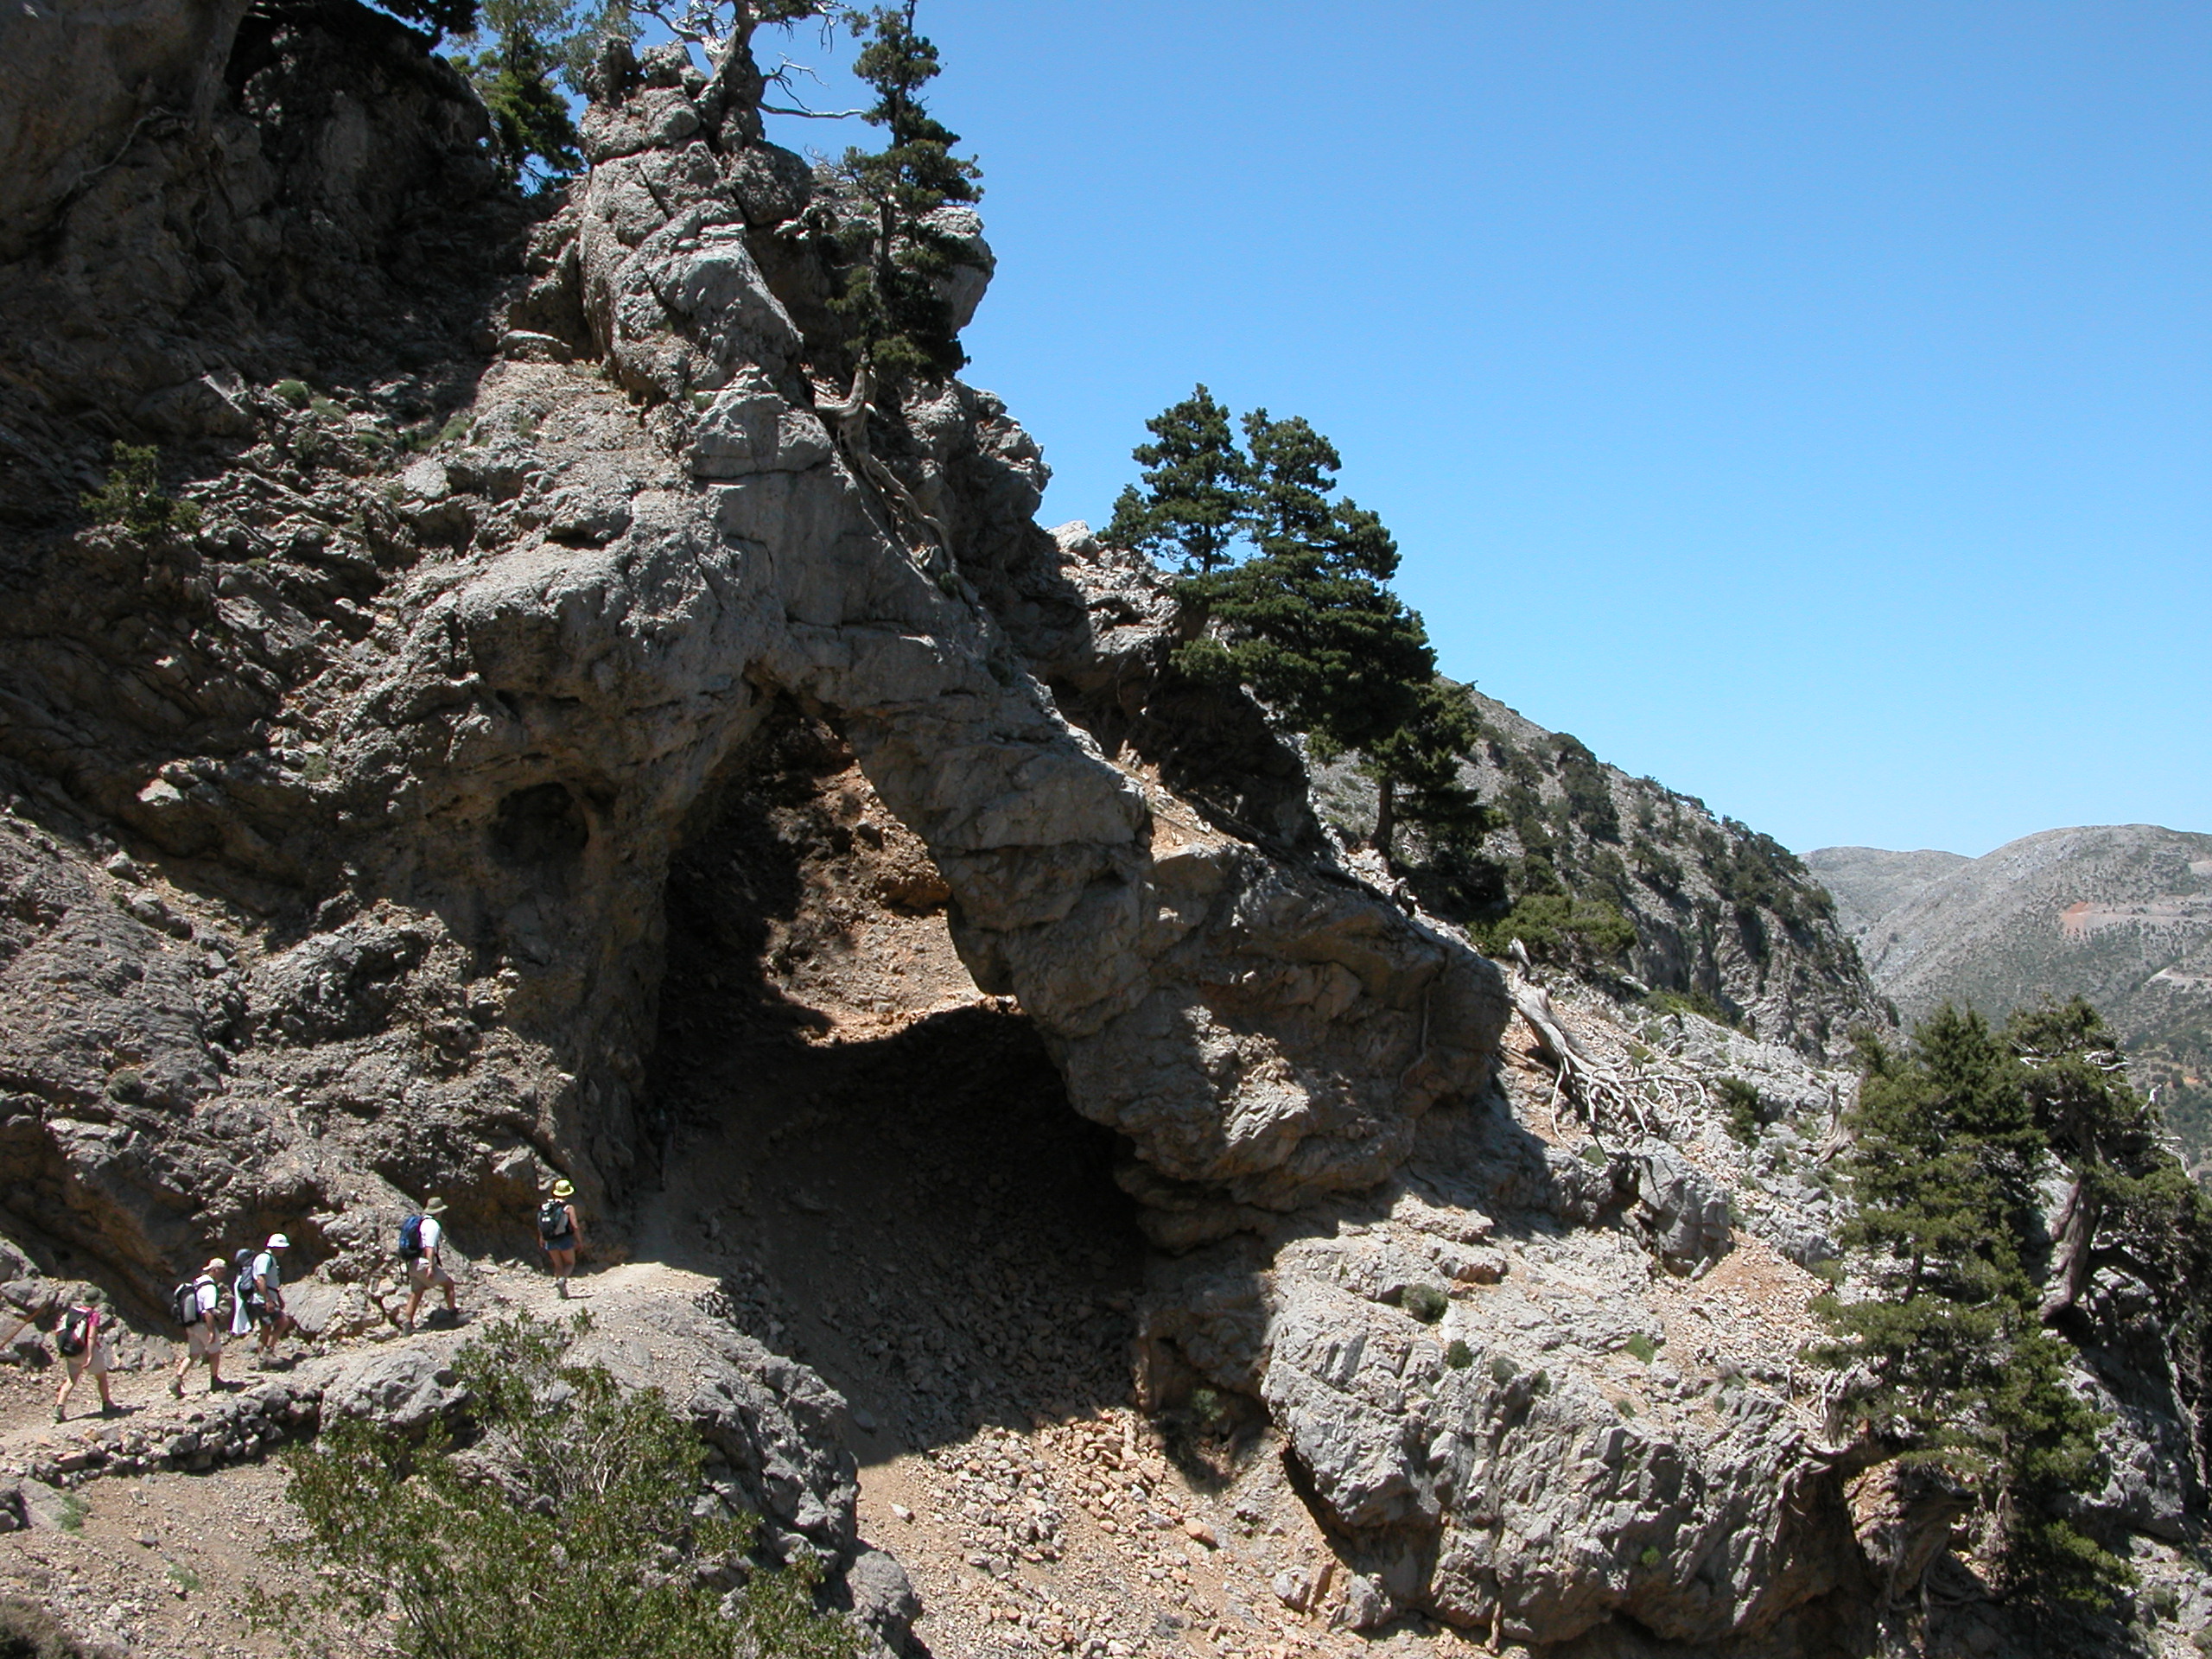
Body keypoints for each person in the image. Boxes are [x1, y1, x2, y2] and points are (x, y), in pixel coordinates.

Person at [53, 1287, 118, 1422]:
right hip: (85, 1351)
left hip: (71, 1351)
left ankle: (59, 1408)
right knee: (101, 1377)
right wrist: (89, 1355)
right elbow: (91, 1336)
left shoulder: (73, 1311)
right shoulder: (93, 1315)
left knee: (71, 1380)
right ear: (96, 1302)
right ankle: (107, 1404)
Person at [172, 1257, 229, 1397]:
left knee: (193, 1354)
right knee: (215, 1350)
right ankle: (215, 1380)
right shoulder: (210, 1288)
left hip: (191, 1324)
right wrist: (211, 1332)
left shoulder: (197, 1282)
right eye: (221, 1272)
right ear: (214, 1270)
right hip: (202, 1324)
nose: (223, 1275)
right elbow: (208, 1311)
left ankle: (176, 1380)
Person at [235, 1234, 295, 1363]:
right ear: (275, 1247)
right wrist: (268, 1300)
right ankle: (268, 1351)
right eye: (282, 1247)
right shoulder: (265, 1258)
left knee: (266, 1327)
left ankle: (262, 1361)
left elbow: (270, 1282)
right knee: (283, 1321)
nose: (284, 1250)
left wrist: (278, 1297)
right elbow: (260, 1280)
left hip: (263, 1298)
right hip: (262, 1299)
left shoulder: (269, 1258)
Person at [401, 1196, 456, 1334]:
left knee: (416, 1293)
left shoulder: (421, 1222)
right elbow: (429, 1247)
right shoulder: (433, 1225)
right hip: (423, 1264)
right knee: (449, 1285)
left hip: (413, 1263)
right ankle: (453, 1316)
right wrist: (431, 1266)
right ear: (438, 1212)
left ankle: (407, 1326)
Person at [538, 1179, 585, 1299]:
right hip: (564, 1239)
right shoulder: (568, 1207)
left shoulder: (546, 1206)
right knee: (570, 1263)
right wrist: (579, 1241)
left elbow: (540, 1224)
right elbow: (575, 1226)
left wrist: (542, 1238)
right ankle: (562, 1280)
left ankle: (561, 1293)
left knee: (558, 1265)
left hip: (549, 1239)